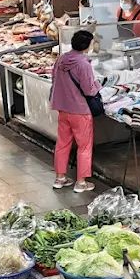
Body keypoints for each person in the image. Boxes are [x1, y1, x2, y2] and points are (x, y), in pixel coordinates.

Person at [50, 28, 101, 192]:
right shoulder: (83, 64)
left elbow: (54, 79)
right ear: (87, 46)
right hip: (79, 111)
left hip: (62, 109)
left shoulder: (61, 59)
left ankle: (60, 178)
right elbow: (89, 90)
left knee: (63, 144)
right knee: (84, 146)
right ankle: (81, 182)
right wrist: (99, 84)